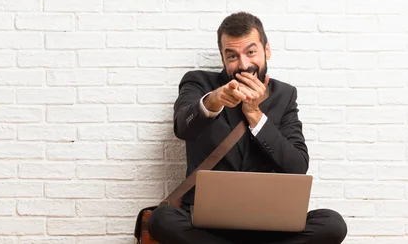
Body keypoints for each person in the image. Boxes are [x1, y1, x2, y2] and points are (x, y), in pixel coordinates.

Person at [146, 12, 347, 244]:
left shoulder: (285, 95)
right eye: (232, 56)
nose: (243, 65)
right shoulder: (198, 82)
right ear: (223, 59)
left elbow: (297, 165)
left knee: (332, 223)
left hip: (271, 223)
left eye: (251, 52)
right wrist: (213, 100)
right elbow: (183, 128)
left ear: (266, 50)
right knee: (161, 220)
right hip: (207, 225)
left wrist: (255, 114)